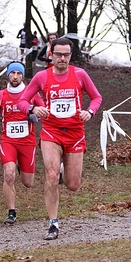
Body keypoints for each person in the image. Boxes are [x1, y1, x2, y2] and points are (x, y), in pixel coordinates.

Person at [17, 37, 102, 240]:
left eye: (66, 55)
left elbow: (97, 97)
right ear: (51, 55)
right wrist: (33, 108)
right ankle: (53, 223)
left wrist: (90, 111)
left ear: (70, 56)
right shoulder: (41, 77)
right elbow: (22, 100)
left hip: (74, 133)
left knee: (73, 185)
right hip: (51, 132)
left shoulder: (80, 74)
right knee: (51, 175)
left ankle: (64, 170)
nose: (62, 58)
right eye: (58, 54)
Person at [0, 61, 44, 225]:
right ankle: (11, 212)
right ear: (8, 75)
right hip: (8, 141)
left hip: (27, 142)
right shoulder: (1, 95)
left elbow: (44, 111)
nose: (15, 76)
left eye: (19, 73)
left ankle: (20, 167)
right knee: (9, 174)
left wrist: (36, 116)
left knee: (28, 183)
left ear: (22, 76)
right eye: (12, 73)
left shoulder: (31, 93)